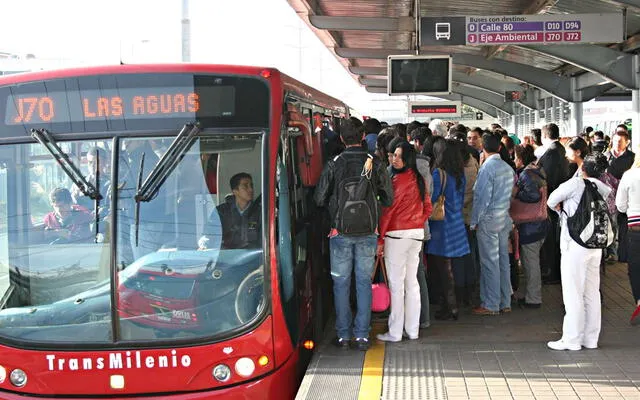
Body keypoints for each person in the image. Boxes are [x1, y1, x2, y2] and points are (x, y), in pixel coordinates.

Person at [314, 118, 393, 351]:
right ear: (361, 137)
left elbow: (319, 199)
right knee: (363, 282)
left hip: (340, 232)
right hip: (368, 231)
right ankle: (362, 336)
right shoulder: (375, 162)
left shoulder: (334, 163)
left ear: (341, 138)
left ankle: (343, 336)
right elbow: (388, 198)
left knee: (341, 283)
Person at [546, 153, 612, 350]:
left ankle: (572, 340)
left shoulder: (575, 184)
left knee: (573, 292)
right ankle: (591, 339)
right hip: (595, 245)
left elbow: (551, 200)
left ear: (582, 166)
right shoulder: (602, 187)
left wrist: (561, 210)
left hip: (574, 245)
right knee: (592, 292)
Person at [376, 141, 432, 342]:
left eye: (398, 156)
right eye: (393, 155)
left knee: (397, 285)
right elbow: (428, 207)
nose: (394, 159)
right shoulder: (418, 179)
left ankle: (395, 332)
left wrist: (381, 238)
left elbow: (387, 212)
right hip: (416, 235)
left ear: (407, 158)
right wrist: (417, 221)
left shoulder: (396, 182)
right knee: (412, 283)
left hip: (397, 236)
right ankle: (413, 330)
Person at [471, 133, 516, 316]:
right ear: (499, 148)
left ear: (483, 148)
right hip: (504, 218)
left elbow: (481, 198)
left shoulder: (486, 169)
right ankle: (505, 301)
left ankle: (491, 304)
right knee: (503, 261)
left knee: (490, 263)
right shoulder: (507, 167)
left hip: (489, 221)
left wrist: (474, 221)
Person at [512, 145, 548, 308]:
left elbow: (533, 195)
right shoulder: (537, 171)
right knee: (532, 262)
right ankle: (531, 296)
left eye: (515, 157)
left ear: (520, 158)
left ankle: (533, 299)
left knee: (531, 263)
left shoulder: (527, 174)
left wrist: (516, 193)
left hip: (530, 226)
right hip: (540, 224)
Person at [538, 123, 570, 284]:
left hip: (553, 202)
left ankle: (553, 273)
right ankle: (554, 271)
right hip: (559, 200)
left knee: (552, 238)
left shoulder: (551, 153)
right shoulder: (560, 149)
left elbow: (548, 178)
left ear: (544, 136)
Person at [200, 173, 261, 250]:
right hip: (227, 258)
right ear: (235, 191)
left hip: (252, 259)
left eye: (251, 186)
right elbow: (209, 235)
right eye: (245, 186)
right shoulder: (221, 212)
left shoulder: (260, 213)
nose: (251, 189)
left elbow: (264, 244)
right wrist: (204, 245)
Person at [615, 146, 640, 324]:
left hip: (635, 228)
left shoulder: (629, 175)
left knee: (635, 268)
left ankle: (639, 301)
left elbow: (620, 206)